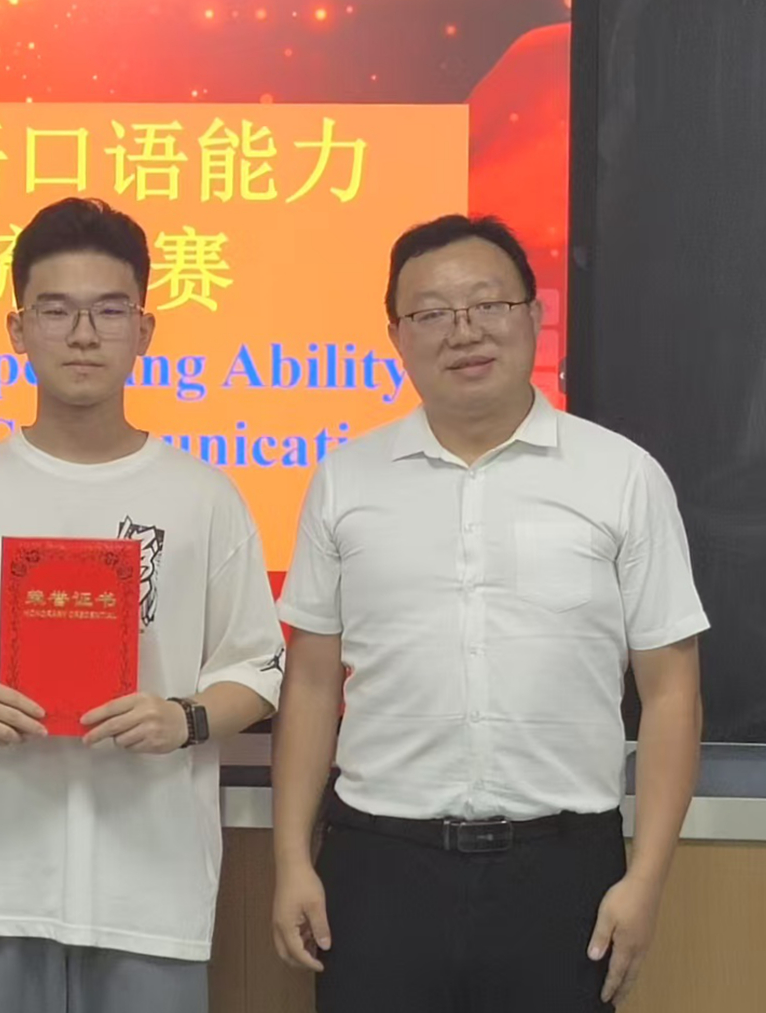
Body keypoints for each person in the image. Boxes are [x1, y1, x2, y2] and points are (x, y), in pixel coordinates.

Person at [0, 197, 285, 1013]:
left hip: (151, 888)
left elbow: (259, 670)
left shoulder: (204, 498)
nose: (83, 334)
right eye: (56, 310)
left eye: (109, 310)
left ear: (145, 330)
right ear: (17, 330)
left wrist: (184, 718)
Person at [269, 214, 707, 1012]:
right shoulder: (344, 479)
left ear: (533, 314)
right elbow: (310, 683)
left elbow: (671, 690)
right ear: (396, 336)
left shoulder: (622, 476)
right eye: (432, 312)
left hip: (563, 872)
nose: (463, 331)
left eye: (487, 304)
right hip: (378, 867)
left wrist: (646, 878)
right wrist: (292, 859)